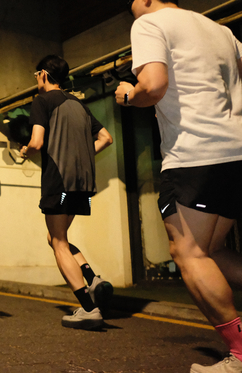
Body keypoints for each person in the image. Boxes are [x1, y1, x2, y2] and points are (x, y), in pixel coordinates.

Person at [115, 0, 242, 371]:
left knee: (188, 253)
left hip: (195, 154)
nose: (132, 12)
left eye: (132, 5)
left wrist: (128, 95)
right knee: (212, 250)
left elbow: (153, 86)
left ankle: (240, 352)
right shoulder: (222, 31)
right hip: (235, 152)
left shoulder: (150, 24)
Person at [20, 55, 114, 330]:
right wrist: (83, 154)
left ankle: (88, 308)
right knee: (55, 237)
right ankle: (92, 279)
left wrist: (27, 149)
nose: (36, 79)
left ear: (45, 75)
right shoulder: (79, 105)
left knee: (58, 241)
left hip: (59, 180)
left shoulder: (43, 101)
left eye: (37, 74)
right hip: (82, 182)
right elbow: (106, 138)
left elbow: (37, 142)